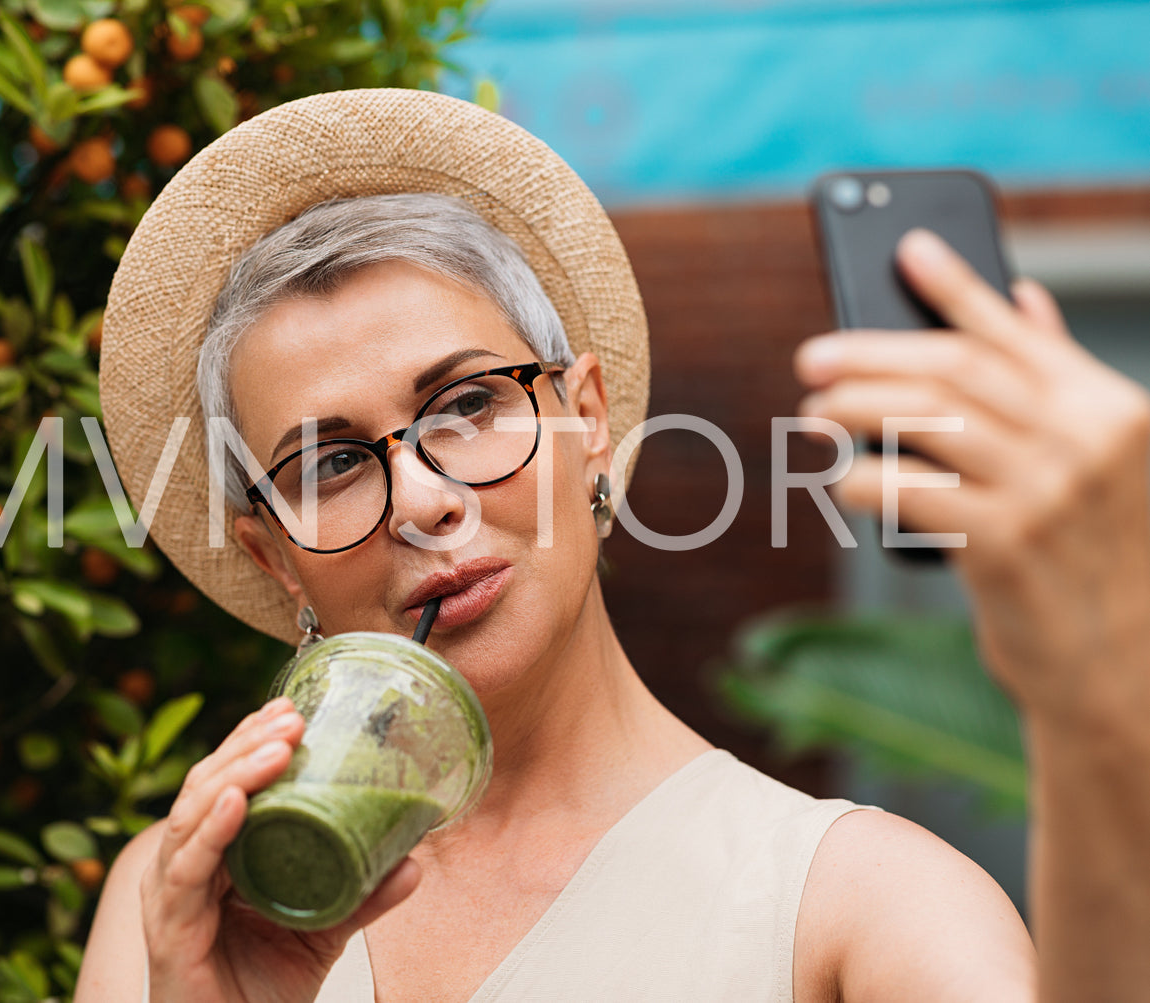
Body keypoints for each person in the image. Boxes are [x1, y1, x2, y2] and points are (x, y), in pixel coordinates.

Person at [76, 88, 1147, 1002]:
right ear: (273, 556)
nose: (423, 499)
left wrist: (1101, 698)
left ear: (586, 419)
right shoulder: (184, 901)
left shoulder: (855, 903)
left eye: (463, 404)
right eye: (332, 465)